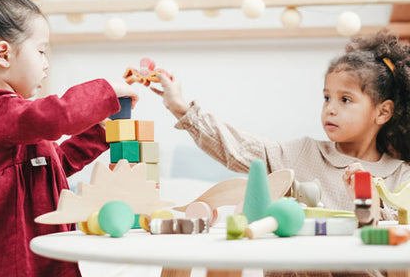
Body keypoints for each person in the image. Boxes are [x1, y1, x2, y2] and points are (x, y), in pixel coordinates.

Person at [0, 0, 138, 277]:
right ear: (4, 54)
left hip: (38, 245)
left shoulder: (19, 120)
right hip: (10, 254)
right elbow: (58, 117)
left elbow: (56, 163)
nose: (46, 63)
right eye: (41, 51)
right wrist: (105, 91)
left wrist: (101, 132)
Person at [153, 31, 410, 218]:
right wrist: (180, 107)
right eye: (326, 97)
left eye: (345, 99)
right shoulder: (300, 154)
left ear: (383, 112)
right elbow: (236, 148)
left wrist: (368, 203)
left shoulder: (400, 176)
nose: (330, 108)